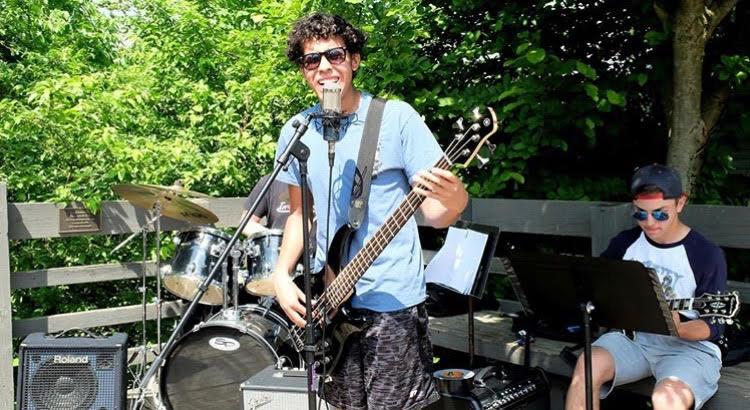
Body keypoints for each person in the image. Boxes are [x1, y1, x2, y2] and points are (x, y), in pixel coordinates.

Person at [270, 12, 469, 410]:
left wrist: (454, 198)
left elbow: (438, 214)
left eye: (335, 55)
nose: (324, 67)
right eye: (312, 60)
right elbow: (299, 215)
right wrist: (279, 274)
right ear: (303, 71)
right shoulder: (297, 130)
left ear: (355, 59)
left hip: (391, 304)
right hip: (330, 301)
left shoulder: (396, 118)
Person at [565, 164, 727, 410]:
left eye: (660, 213)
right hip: (634, 340)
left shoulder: (705, 254)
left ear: (680, 203)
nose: (650, 222)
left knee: (666, 399)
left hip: (688, 348)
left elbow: (713, 327)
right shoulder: (625, 244)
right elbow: (595, 285)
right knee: (586, 367)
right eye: (641, 214)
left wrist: (676, 326)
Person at [240, 173, 291, 237]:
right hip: (278, 244)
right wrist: (270, 235)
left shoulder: (307, 181)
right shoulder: (270, 181)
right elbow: (247, 223)